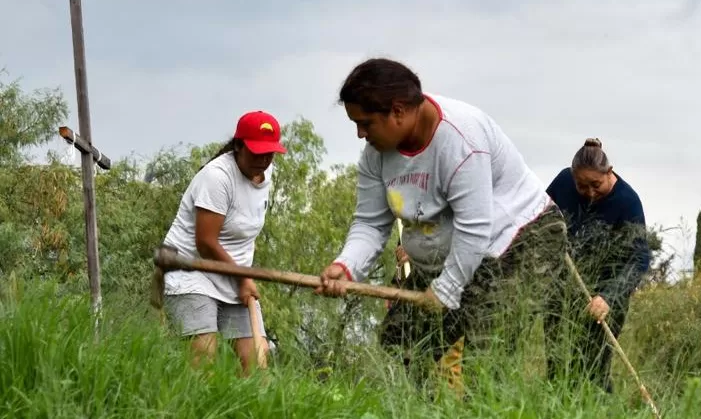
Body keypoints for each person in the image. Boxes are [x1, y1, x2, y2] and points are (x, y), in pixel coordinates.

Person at [316, 57, 567, 383]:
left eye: (365, 123)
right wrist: (346, 266)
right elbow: (370, 222)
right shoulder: (375, 155)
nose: (360, 133)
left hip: (518, 240)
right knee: (402, 343)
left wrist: (447, 290)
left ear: (398, 111)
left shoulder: (462, 141)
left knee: (485, 358)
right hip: (452, 249)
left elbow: (474, 227)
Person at [159, 110, 287, 375]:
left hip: (232, 274)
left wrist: (240, 276)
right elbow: (205, 242)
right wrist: (242, 277)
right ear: (238, 145)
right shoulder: (217, 178)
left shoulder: (264, 172)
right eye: (256, 152)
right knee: (203, 361)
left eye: (269, 153)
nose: (263, 160)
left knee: (257, 367)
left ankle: (251, 416)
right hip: (191, 271)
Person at [544, 138, 652, 393]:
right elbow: (541, 217)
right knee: (557, 365)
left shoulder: (628, 201)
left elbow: (639, 258)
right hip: (562, 288)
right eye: (582, 186)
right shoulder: (562, 182)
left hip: (604, 296)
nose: (590, 192)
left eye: (596, 184)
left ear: (609, 172)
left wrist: (609, 297)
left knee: (592, 370)